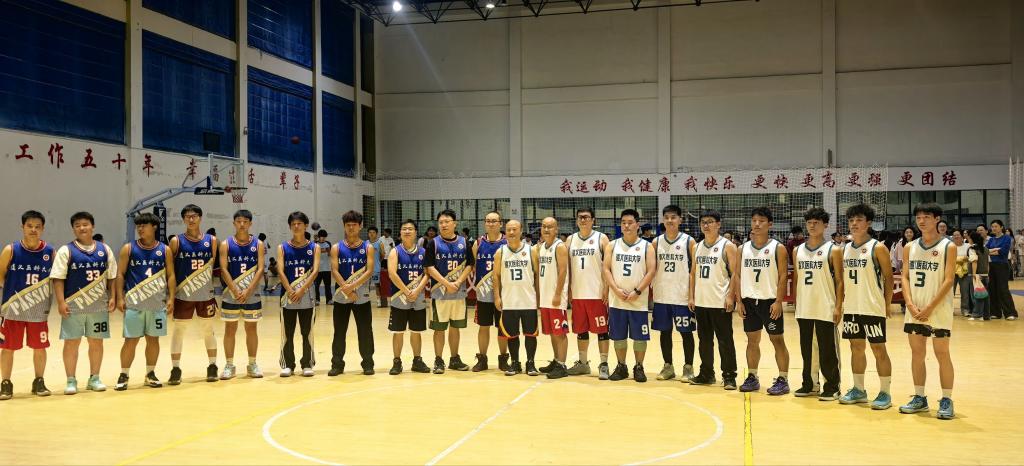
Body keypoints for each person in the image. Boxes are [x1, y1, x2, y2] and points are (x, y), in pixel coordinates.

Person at [900, 203, 957, 420]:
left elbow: (949, 280)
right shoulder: (909, 247)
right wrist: (909, 303)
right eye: (918, 217)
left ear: (937, 219)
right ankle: (919, 397)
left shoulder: (948, 246)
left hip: (938, 309)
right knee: (917, 354)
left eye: (926, 217)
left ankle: (947, 399)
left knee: (942, 353)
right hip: (914, 309)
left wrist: (930, 307)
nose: (921, 221)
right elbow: (905, 276)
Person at [51, 212, 117, 394]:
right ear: (73, 229)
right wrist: (60, 302)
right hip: (74, 306)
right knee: (71, 343)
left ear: (92, 226)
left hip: (98, 306)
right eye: (77, 225)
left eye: (85, 224)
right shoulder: (66, 251)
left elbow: (112, 276)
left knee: (96, 342)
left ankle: (94, 378)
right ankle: (71, 380)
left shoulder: (105, 249)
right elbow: (58, 278)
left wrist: (112, 296)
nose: (82, 228)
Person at [839, 203, 894, 409]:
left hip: (872, 307)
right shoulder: (844, 249)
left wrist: (887, 304)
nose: (854, 224)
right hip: (852, 307)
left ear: (868, 223)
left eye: (859, 220)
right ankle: (858, 389)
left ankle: (885, 392)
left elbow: (889, 278)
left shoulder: (877, 247)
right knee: (856, 348)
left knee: (878, 348)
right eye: (851, 220)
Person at [114, 213, 175, 391]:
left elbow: (170, 275)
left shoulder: (164, 250)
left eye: (144, 225)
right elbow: (120, 274)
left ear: (154, 227)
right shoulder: (128, 249)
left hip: (157, 304)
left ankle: (150, 373)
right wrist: (119, 297)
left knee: (153, 340)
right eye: (138, 225)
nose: (140, 229)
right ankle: (124, 374)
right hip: (134, 303)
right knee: (130, 340)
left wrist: (171, 298)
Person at [735, 207, 791, 395]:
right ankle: (752, 376)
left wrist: (779, 301)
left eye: (761, 221)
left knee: (777, 340)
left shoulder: (778, 248)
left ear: (770, 224)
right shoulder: (742, 249)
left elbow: (783, 276)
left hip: (770, 302)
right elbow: (737, 275)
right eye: (754, 221)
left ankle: (783, 379)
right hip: (749, 301)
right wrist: (739, 301)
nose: (757, 224)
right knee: (752, 340)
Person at [0, 211, 55, 399]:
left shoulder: (50, 252)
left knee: (40, 347)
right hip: (12, 310)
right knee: (7, 347)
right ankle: (5, 383)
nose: (33, 230)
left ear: (43, 229)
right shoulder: (11, 250)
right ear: (22, 227)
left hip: (38, 311)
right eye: (29, 226)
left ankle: (39, 381)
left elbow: (56, 279)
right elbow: (0, 276)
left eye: (37, 227)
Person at [792, 207, 842, 399]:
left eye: (816, 223)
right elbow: (797, 279)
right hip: (805, 307)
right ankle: (810, 384)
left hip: (825, 306)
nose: (812, 226)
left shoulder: (833, 250)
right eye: (809, 223)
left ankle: (832, 386)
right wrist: (796, 302)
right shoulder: (797, 250)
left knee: (827, 349)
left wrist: (838, 306)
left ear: (825, 225)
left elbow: (840, 281)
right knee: (807, 349)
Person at [602, 209, 657, 383]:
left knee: (640, 337)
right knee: (618, 336)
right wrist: (615, 289)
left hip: (638, 301)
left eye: (630, 222)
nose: (626, 225)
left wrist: (638, 291)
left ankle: (639, 366)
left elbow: (651, 271)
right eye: (623, 222)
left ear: (637, 224)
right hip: (617, 300)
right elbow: (606, 269)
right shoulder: (612, 245)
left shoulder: (647, 246)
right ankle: (621, 366)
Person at [168, 204, 219, 384]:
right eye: (188, 216)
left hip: (205, 294)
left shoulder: (212, 241)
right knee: (179, 331)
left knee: (208, 330)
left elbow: (212, 267)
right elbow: (170, 270)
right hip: (183, 294)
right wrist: (170, 296)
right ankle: (175, 368)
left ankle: (212, 365)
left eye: (194, 216)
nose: (191, 219)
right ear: (183, 219)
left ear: (200, 218)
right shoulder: (176, 241)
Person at [689, 210, 739, 389]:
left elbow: (735, 274)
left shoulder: (727, 246)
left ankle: (729, 375)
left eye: (710, 221)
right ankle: (706, 373)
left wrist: (731, 296)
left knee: (725, 340)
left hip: (720, 301)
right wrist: (691, 296)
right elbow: (693, 273)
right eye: (703, 222)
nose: (706, 225)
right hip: (701, 302)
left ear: (718, 224)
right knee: (704, 341)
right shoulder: (696, 247)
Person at [651, 205, 697, 382]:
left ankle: (688, 367)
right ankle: (668, 366)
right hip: (662, 296)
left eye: (673, 217)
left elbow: (693, 272)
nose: (670, 220)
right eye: (667, 217)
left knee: (686, 333)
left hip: (682, 296)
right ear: (663, 220)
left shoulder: (689, 242)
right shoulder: (656, 243)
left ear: (680, 220)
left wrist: (692, 295)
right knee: (665, 332)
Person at [218, 210, 265, 379]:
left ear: (250, 223)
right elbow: (223, 269)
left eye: (245, 221)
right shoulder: (226, 244)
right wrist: (235, 290)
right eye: (239, 221)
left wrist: (248, 290)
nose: (242, 224)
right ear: (234, 223)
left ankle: (252, 364)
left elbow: (260, 268)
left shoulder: (258, 244)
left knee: (251, 329)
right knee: (229, 329)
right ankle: (229, 365)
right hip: (231, 294)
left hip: (251, 294)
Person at [566, 207, 611, 379]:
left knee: (602, 330)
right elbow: (567, 268)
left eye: (586, 217)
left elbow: (608, 266)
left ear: (593, 220)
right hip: (578, 294)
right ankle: (583, 364)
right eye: (580, 217)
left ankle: (604, 364)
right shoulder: (570, 240)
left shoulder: (601, 238)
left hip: (597, 294)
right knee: (581, 330)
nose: (583, 220)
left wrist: (606, 288)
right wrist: (568, 289)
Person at [329, 211, 375, 376]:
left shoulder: (368, 247)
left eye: (354, 225)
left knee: (365, 331)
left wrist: (353, 287)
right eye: (348, 225)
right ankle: (337, 364)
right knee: (339, 331)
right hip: (341, 295)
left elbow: (369, 271)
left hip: (362, 296)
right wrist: (346, 288)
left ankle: (368, 364)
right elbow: (334, 270)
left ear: (360, 226)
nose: (351, 228)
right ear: (344, 226)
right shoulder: (336, 247)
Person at [494, 219, 539, 376]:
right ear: (505, 232)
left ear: (521, 231)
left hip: (528, 300)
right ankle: (515, 362)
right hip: (509, 300)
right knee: (512, 334)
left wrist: (538, 297)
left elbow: (537, 276)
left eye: (514, 229)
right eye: (508, 230)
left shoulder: (531, 250)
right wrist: (497, 297)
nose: (511, 232)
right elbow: (496, 276)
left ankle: (530, 363)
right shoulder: (500, 252)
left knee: (530, 334)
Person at [387, 220, 430, 374]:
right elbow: (392, 274)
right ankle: (396, 362)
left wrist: (417, 290)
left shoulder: (423, 252)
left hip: (418, 297)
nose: (407, 231)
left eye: (410, 229)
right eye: (404, 229)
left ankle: (417, 361)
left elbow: (427, 273)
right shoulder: (395, 251)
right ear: (400, 232)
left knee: (416, 331)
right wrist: (406, 291)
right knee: (398, 331)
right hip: (399, 297)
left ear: (415, 232)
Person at [278, 211, 318, 377]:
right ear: (290, 226)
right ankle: (288, 364)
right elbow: (280, 271)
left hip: (307, 295)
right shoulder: (283, 247)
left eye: (299, 223)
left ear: (305, 225)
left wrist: (301, 290)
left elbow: (315, 271)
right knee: (287, 333)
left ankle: (307, 364)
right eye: (293, 224)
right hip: (287, 296)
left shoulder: (314, 247)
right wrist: (290, 290)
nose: (296, 226)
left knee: (307, 332)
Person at [470, 211, 508, 372]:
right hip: (483, 294)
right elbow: (472, 267)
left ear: (501, 223)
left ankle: (503, 359)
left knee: (502, 328)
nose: (491, 224)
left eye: (494, 221)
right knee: (483, 327)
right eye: (488, 221)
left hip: (503, 295)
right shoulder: (478, 243)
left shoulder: (507, 243)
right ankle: (482, 359)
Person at [536, 217, 570, 379]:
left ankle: (562, 365)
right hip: (545, 297)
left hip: (556, 297)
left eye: (550, 227)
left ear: (556, 229)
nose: (546, 229)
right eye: (544, 226)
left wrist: (557, 294)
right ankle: (556, 360)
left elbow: (563, 271)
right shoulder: (541, 247)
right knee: (551, 332)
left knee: (560, 332)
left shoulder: (560, 247)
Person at [986, 220, 1018, 320]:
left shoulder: (1006, 238)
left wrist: (992, 251)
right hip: (991, 265)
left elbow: (1003, 252)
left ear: (1001, 227)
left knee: (1003, 289)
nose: (994, 228)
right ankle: (995, 312)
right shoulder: (991, 239)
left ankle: (1010, 313)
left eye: (996, 226)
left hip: (1002, 266)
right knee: (992, 288)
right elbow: (985, 251)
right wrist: (995, 250)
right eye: (992, 226)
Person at [967, 231, 991, 321]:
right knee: (985, 296)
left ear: (972, 239)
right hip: (985, 274)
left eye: (969, 238)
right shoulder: (986, 249)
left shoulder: (972, 248)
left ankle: (977, 315)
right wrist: (987, 274)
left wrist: (974, 274)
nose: (968, 240)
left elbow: (974, 261)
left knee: (977, 295)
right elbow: (987, 263)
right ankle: (986, 315)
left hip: (976, 275)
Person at [952, 230, 972, 317]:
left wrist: (962, 259)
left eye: (958, 235)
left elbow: (970, 257)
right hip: (952, 272)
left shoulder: (968, 246)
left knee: (965, 292)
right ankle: (949, 310)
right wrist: (960, 259)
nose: (956, 237)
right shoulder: (950, 246)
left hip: (964, 272)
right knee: (950, 292)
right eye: (954, 235)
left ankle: (965, 310)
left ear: (962, 236)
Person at [314, 230, 332, 306]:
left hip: (327, 268)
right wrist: (321, 250)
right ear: (319, 237)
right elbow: (313, 254)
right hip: (317, 269)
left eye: (324, 237)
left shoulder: (328, 244)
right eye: (321, 237)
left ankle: (329, 300)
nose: (323, 238)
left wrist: (328, 251)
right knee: (316, 286)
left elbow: (330, 254)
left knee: (328, 285)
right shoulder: (315, 244)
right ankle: (317, 300)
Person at [378, 228, 394, 309]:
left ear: (389, 233)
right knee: (382, 275)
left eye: (386, 233)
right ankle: (380, 300)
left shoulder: (391, 240)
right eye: (384, 232)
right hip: (382, 258)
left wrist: (392, 246)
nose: (385, 233)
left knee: (388, 275)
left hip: (389, 258)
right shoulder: (380, 239)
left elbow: (393, 248)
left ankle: (390, 299)